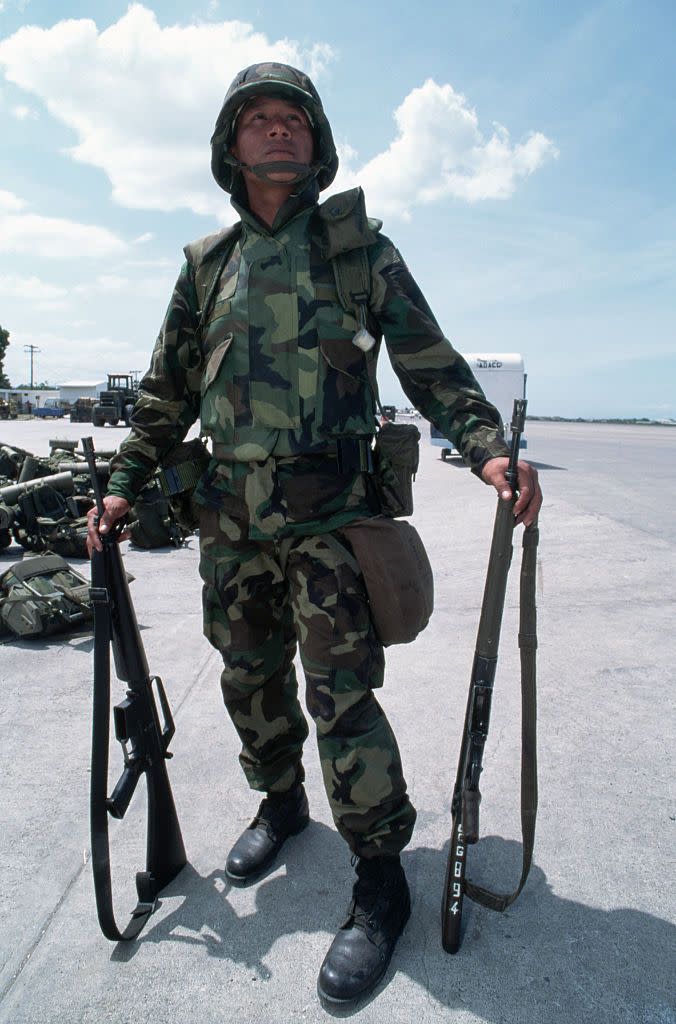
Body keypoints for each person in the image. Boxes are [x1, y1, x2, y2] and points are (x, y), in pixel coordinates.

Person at [87, 62, 541, 1005]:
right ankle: (282, 804)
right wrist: (126, 485)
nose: (278, 129)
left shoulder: (358, 249)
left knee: (343, 696)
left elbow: (432, 364)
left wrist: (489, 448)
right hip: (232, 526)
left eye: (293, 118)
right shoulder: (204, 265)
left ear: (317, 140)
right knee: (248, 676)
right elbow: (166, 394)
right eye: (258, 118)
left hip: (331, 521)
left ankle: (380, 876)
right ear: (231, 145)